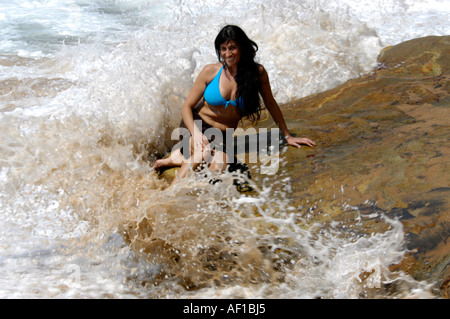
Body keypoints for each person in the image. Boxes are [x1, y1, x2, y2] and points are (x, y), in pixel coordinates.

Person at [153, 25, 315, 185]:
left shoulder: (257, 74)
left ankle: (178, 158)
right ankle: (171, 193)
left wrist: (287, 136)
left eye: (232, 48)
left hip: (222, 136)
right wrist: (195, 133)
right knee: (205, 151)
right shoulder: (210, 71)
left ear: (242, 48)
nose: (227, 54)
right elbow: (186, 107)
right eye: (223, 49)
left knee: (218, 167)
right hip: (195, 126)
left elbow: (270, 103)